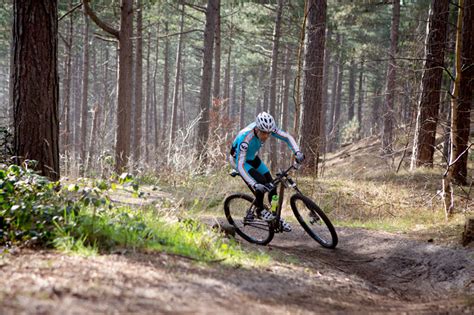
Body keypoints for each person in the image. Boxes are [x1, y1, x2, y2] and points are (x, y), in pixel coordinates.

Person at [229, 112, 305, 232]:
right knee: (261, 183)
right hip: (239, 161)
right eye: (263, 133)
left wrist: (297, 152)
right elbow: (240, 164)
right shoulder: (245, 138)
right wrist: (254, 184)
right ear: (257, 129)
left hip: (252, 158)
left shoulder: (267, 128)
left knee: (272, 185)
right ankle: (259, 210)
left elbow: (287, 137)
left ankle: (275, 216)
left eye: (268, 133)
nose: (266, 136)